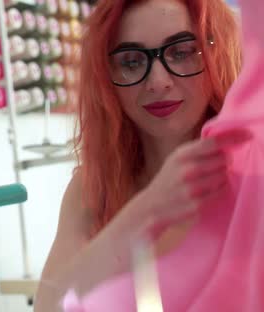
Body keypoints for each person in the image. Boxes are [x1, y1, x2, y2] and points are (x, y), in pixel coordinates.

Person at [35, 0, 242, 311]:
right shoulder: (93, 189)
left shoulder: (250, 175)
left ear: (216, 54)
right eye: (131, 61)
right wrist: (140, 215)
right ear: (106, 79)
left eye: (182, 52)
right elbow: (49, 307)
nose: (158, 82)